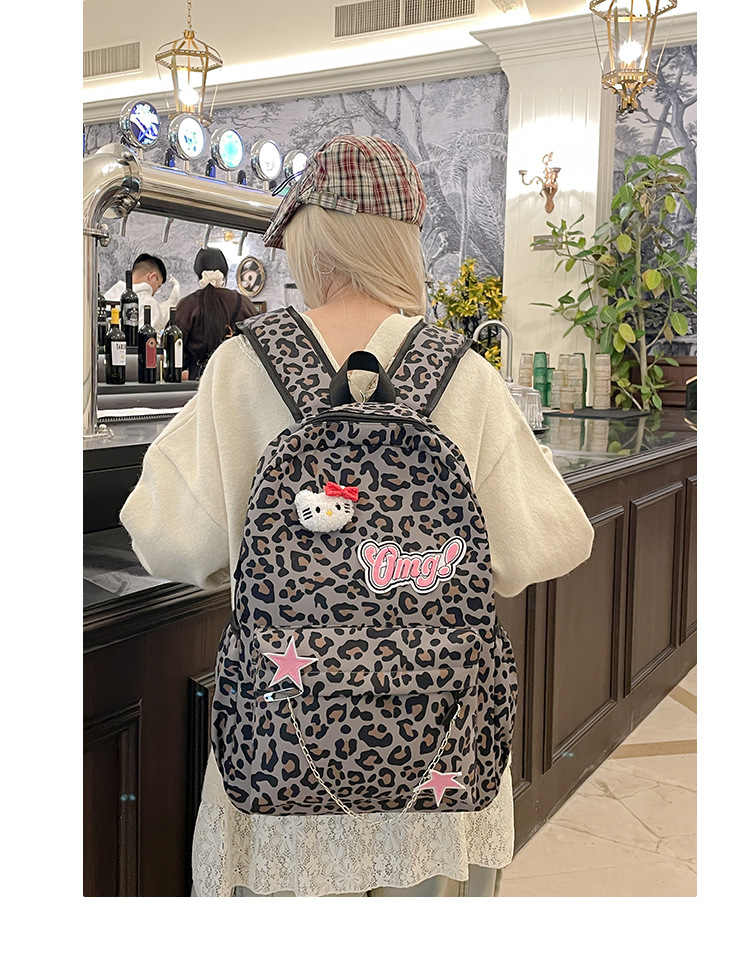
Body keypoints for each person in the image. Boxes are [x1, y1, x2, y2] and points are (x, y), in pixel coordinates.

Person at [120, 135, 595, 897]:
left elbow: (169, 539)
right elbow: (550, 541)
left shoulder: (243, 365)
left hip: (284, 749)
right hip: (436, 750)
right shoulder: (462, 372)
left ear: (310, 236)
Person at [174, 247, 258, 380]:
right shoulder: (243, 303)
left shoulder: (187, 305)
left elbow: (173, 346)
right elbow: (258, 344)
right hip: (238, 380)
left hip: (198, 382)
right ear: (225, 272)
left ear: (198, 274)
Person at [103, 252, 180, 331]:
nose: (155, 292)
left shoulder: (108, 295)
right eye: (158, 286)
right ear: (152, 277)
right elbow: (150, 337)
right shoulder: (150, 304)